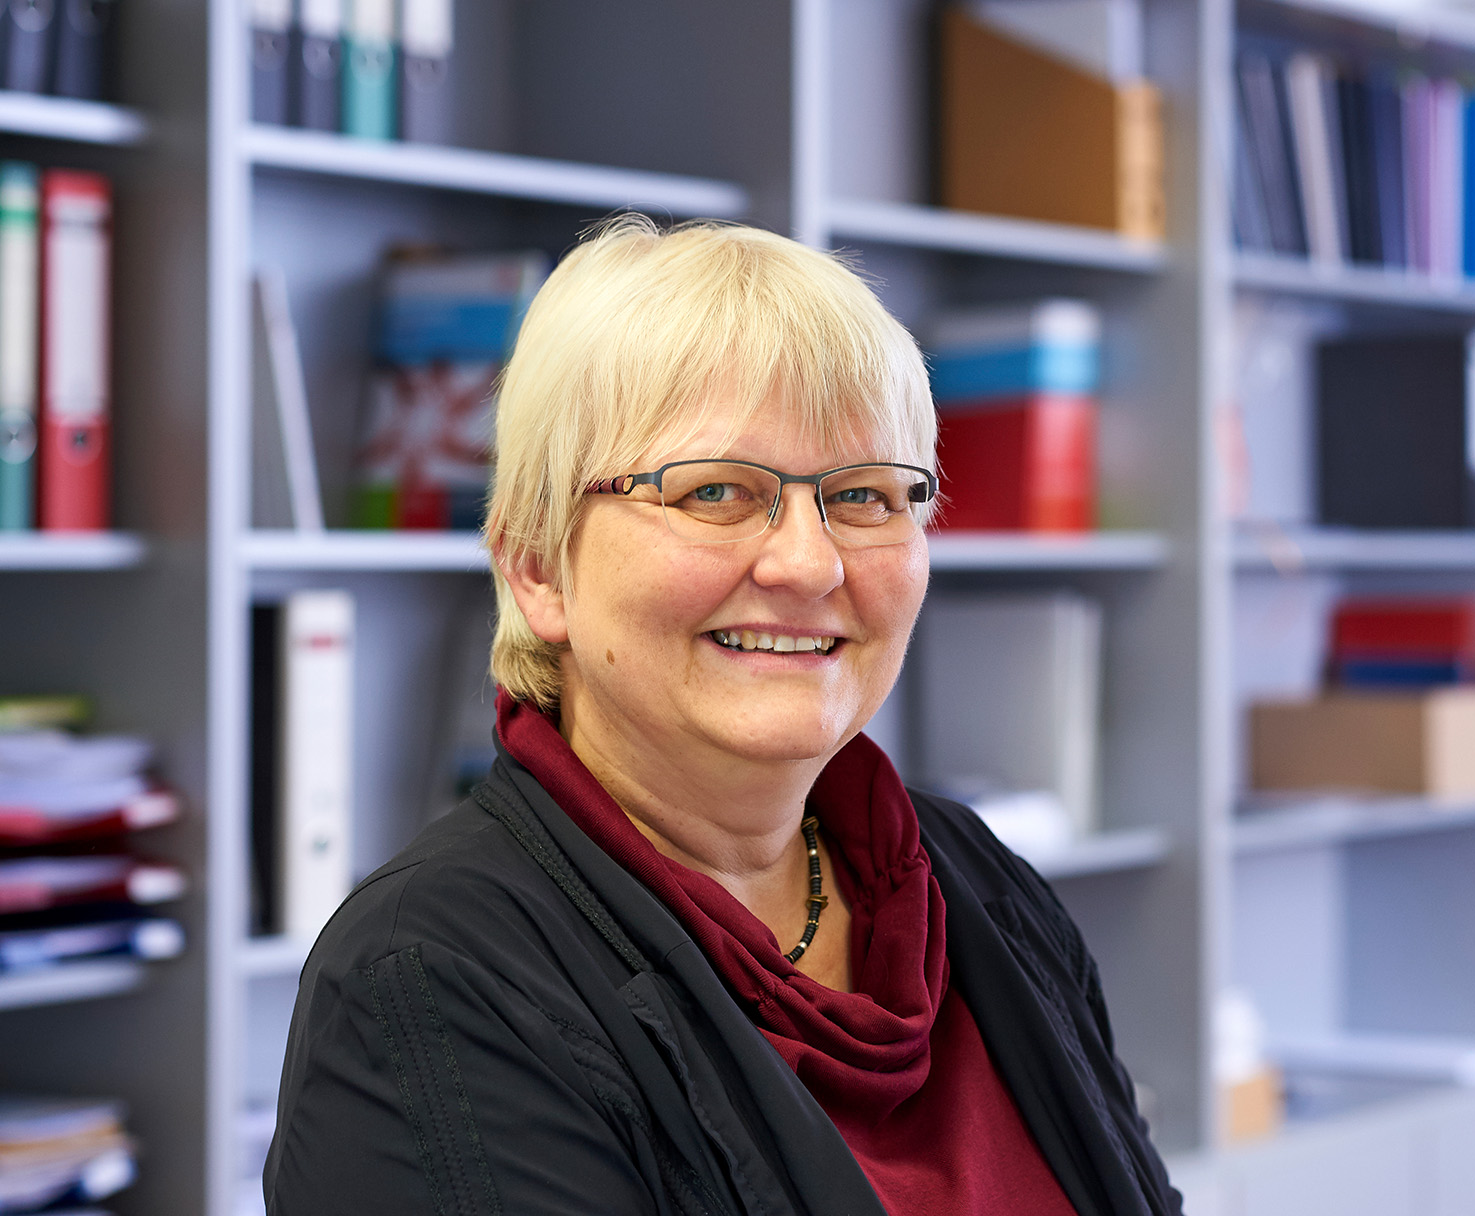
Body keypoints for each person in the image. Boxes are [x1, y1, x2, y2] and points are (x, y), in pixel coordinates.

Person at [265, 216, 1181, 1216]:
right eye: (715, 492)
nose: (809, 562)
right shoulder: (429, 986)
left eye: (868, 496)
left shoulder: (978, 886)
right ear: (538, 567)